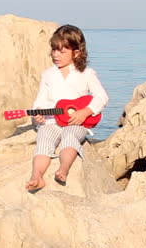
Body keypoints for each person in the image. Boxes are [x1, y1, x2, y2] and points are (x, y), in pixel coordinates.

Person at [25, 24, 108, 190]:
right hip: (52, 121)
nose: (56, 55)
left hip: (77, 122)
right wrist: (38, 114)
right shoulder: (48, 74)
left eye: (62, 51)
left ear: (76, 53)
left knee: (70, 137)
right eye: (54, 50)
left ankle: (63, 169)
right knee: (44, 139)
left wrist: (85, 112)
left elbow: (102, 96)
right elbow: (40, 100)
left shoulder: (86, 73)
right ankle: (37, 175)